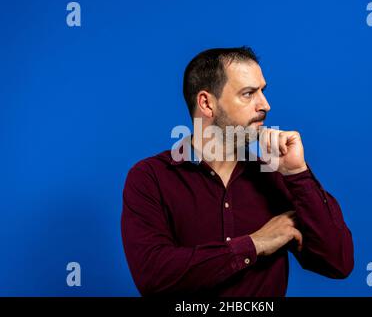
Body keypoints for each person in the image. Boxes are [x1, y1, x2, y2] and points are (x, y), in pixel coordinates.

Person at [121, 46, 354, 297]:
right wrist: (255, 244)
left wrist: (297, 173)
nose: (265, 105)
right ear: (207, 103)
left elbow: (337, 262)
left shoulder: (275, 175)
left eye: (262, 91)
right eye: (248, 93)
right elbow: (153, 277)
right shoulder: (150, 178)